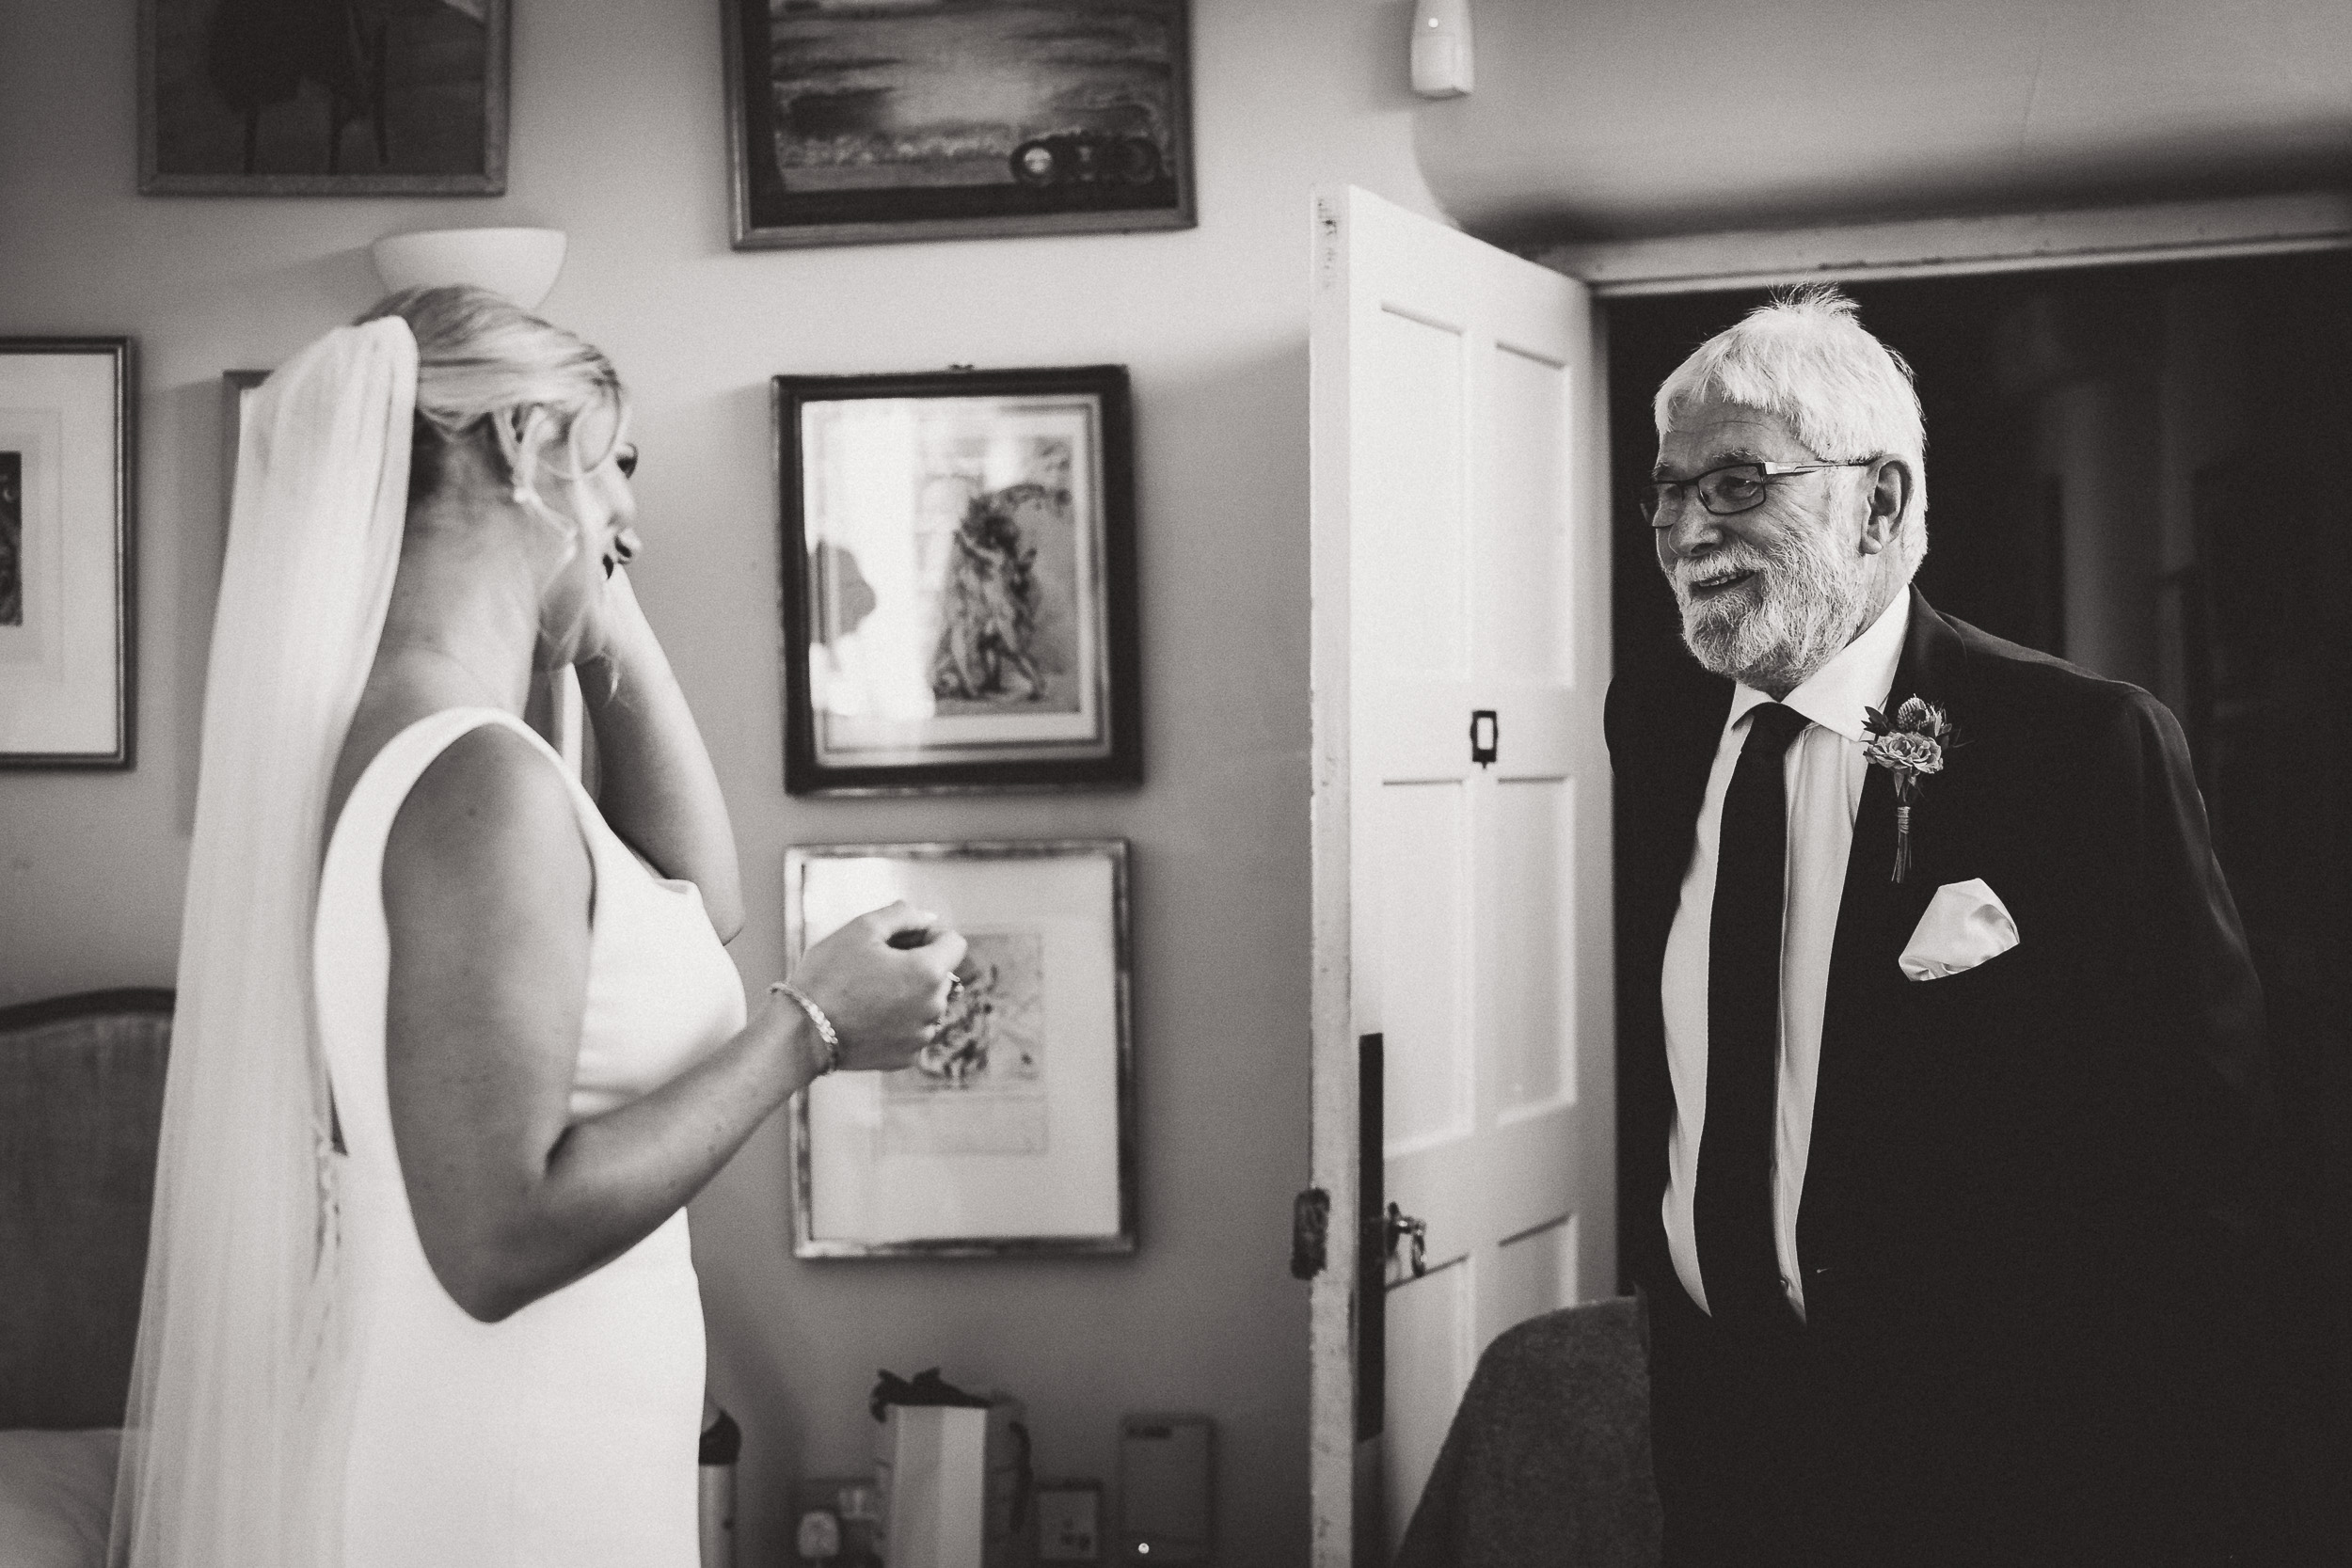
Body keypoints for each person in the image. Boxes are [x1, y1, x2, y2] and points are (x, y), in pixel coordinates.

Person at [111, 286, 966, 1568]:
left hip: (534, 1447)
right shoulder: (477, 782)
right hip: (498, 1481)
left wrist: (590, 587)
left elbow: (696, 906)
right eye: (617, 463)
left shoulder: (443, 746)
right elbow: (496, 1238)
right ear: (520, 447)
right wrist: (815, 1027)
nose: (634, 516)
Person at [1605, 286, 2275, 1565]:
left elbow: (2202, 1163)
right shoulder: (1656, 723)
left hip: (2000, 1465)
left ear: (1882, 502)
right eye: (1666, 492)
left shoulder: (2081, 748)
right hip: (1725, 1441)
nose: (1686, 530)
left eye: (1739, 483)